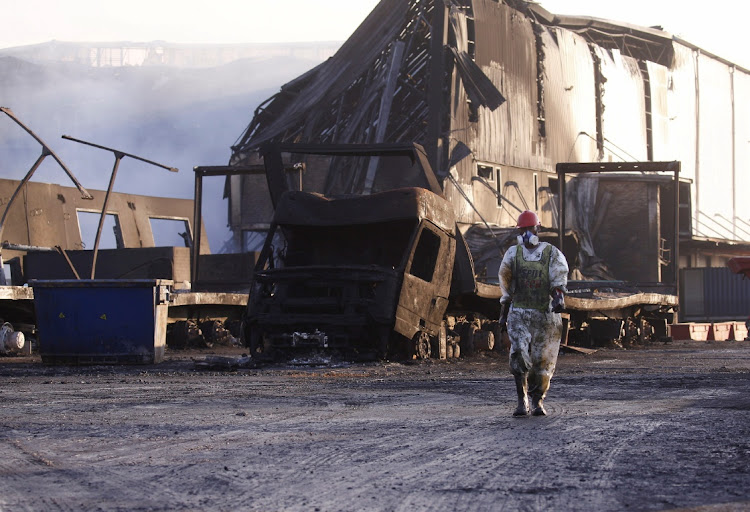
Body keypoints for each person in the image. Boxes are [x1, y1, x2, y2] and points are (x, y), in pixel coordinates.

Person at [498, 210, 568, 417]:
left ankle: (537, 401)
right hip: (519, 312)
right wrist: (503, 311)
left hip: (545, 316)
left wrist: (558, 296)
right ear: (519, 231)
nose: (528, 233)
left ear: (538, 229)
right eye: (524, 229)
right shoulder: (513, 254)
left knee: (542, 361)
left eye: (531, 228)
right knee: (519, 353)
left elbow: (559, 276)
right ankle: (522, 402)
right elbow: (506, 284)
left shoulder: (551, 253)